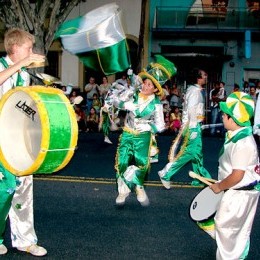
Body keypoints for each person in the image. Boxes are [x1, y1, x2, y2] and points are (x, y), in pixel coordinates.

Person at [0, 28, 47, 256]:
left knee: (24, 189)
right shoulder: (2, 66)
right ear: (15, 48)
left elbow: (24, 108)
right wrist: (23, 63)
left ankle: (25, 240)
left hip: (18, 140)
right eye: (28, 48)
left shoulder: (25, 75)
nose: (31, 52)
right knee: (4, 190)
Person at [198, 92, 259, 259]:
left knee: (226, 229)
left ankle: (235, 254)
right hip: (236, 192)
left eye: (225, 115)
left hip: (239, 194)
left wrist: (218, 186)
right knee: (227, 228)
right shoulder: (236, 136)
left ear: (233, 119)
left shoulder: (243, 143)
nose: (222, 117)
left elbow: (237, 175)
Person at [112, 55, 176, 206]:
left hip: (144, 137)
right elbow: (115, 101)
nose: (145, 87)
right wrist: (125, 105)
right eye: (144, 83)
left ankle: (139, 186)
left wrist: (149, 126)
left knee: (143, 164)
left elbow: (161, 126)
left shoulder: (156, 104)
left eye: (149, 85)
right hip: (128, 132)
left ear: (155, 89)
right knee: (121, 163)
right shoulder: (133, 93)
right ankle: (123, 191)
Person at [158, 68, 212, 189]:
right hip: (192, 127)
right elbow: (191, 110)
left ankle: (199, 178)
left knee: (197, 154)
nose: (206, 77)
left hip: (194, 125)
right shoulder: (194, 92)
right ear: (198, 78)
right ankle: (166, 173)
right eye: (204, 75)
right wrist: (193, 127)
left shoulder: (194, 90)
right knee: (189, 152)